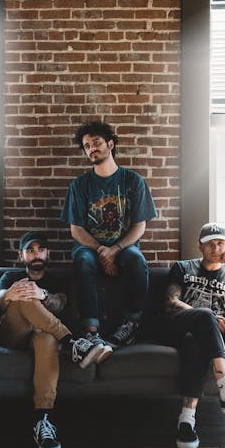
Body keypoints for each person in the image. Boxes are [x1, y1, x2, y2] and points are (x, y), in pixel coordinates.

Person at [157, 223, 225, 448]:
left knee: (195, 344)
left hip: (203, 340)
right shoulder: (183, 268)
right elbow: (170, 303)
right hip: (176, 329)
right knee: (203, 317)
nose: (216, 248)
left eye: (220, 243)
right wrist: (209, 316)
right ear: (200, 246)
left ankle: (186, 420)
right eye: (210, 244)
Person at [0, 231, 104, 448]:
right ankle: (73, 342)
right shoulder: (10, 276)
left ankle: (42, 420)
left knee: (46, 338)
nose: (36, 254)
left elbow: (60, 303)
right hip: (12, 335)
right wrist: (11, 295)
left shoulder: (60, 279)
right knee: (23, 297)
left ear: (48, 253)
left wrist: (42, 294)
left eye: (41, 249)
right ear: (21, 255)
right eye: (30, 250)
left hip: (40, 336)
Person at [61, 120, 157, 355]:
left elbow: (139, 226)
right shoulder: (80, 185)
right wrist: (102, 250)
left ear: (110, 144)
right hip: (89, 247)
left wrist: (115, 249)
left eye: (96, 143)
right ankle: (91, 331)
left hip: (124, 247)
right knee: (83, 260)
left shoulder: (133, 181)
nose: (91, 148)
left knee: (137, 260)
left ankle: (131, 324)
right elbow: (77, 230)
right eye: (86, 146)